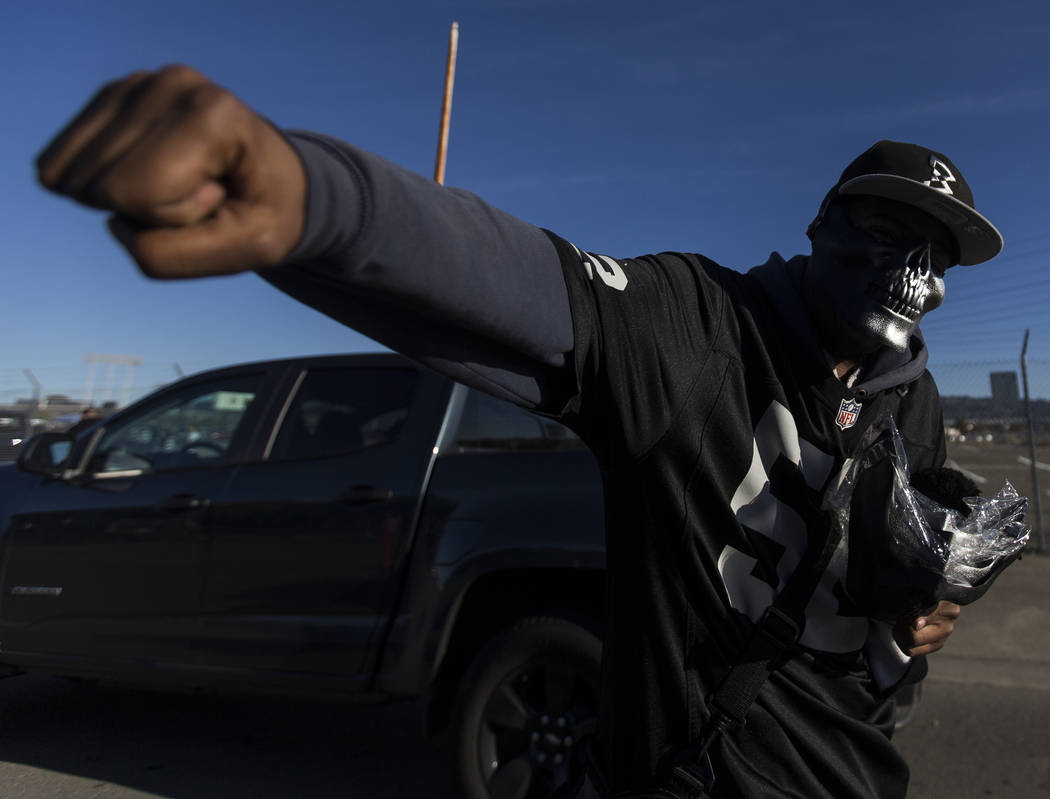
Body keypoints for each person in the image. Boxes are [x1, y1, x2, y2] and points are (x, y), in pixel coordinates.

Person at [36, 66, 1001, 798]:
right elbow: (533, 286)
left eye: (939, 250)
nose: (913, 266)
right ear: (825, 221)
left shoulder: (911, 401)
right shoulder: (702, 324)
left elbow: (890, 584)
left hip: (860, 774)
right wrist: (308, 192)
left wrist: (924, 609)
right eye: (888, 228)